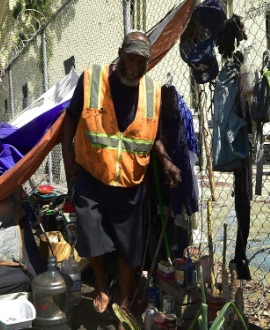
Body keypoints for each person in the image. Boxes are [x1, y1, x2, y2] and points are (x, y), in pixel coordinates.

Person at [61, 31, 182, 315]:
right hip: (91, 174)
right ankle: (102, 280)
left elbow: (153, 136)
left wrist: (165, 161)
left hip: (129, 180)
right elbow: (69, 122)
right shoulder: (92, 79)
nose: (135, 65)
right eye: (131, 58)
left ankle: (124, 299)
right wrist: (69, 166)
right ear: (119, 53)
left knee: (130, 248)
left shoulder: (152, 92)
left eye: (141, 61)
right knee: (89, 236)